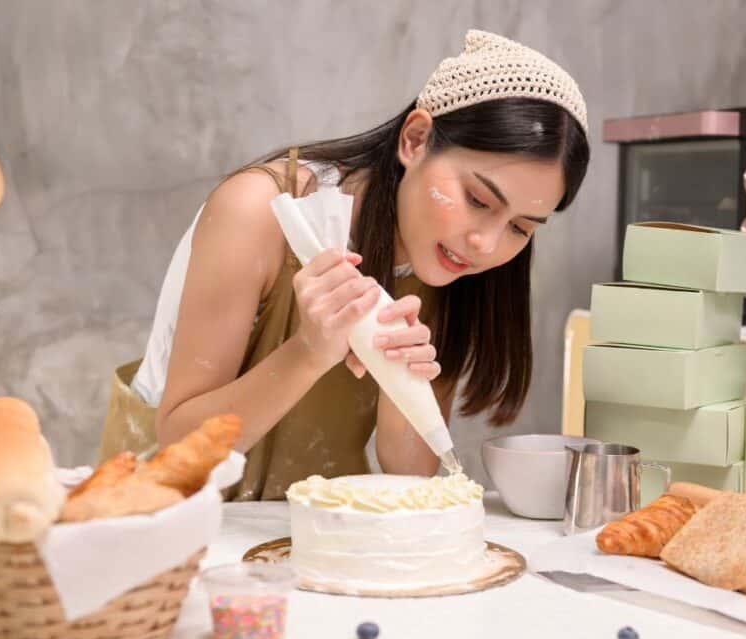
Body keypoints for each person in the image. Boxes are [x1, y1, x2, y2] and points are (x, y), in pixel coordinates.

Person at [99, 30, 590, 500]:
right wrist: (310, 351)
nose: (486, 243)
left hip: (306, 539)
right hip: (165, 523)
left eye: (522, 228)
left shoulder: (453, 262)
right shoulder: (262, 210)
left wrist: (405, 386)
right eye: (478, 200)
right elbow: (180, 446)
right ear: (415, 140)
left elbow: (413, 473)